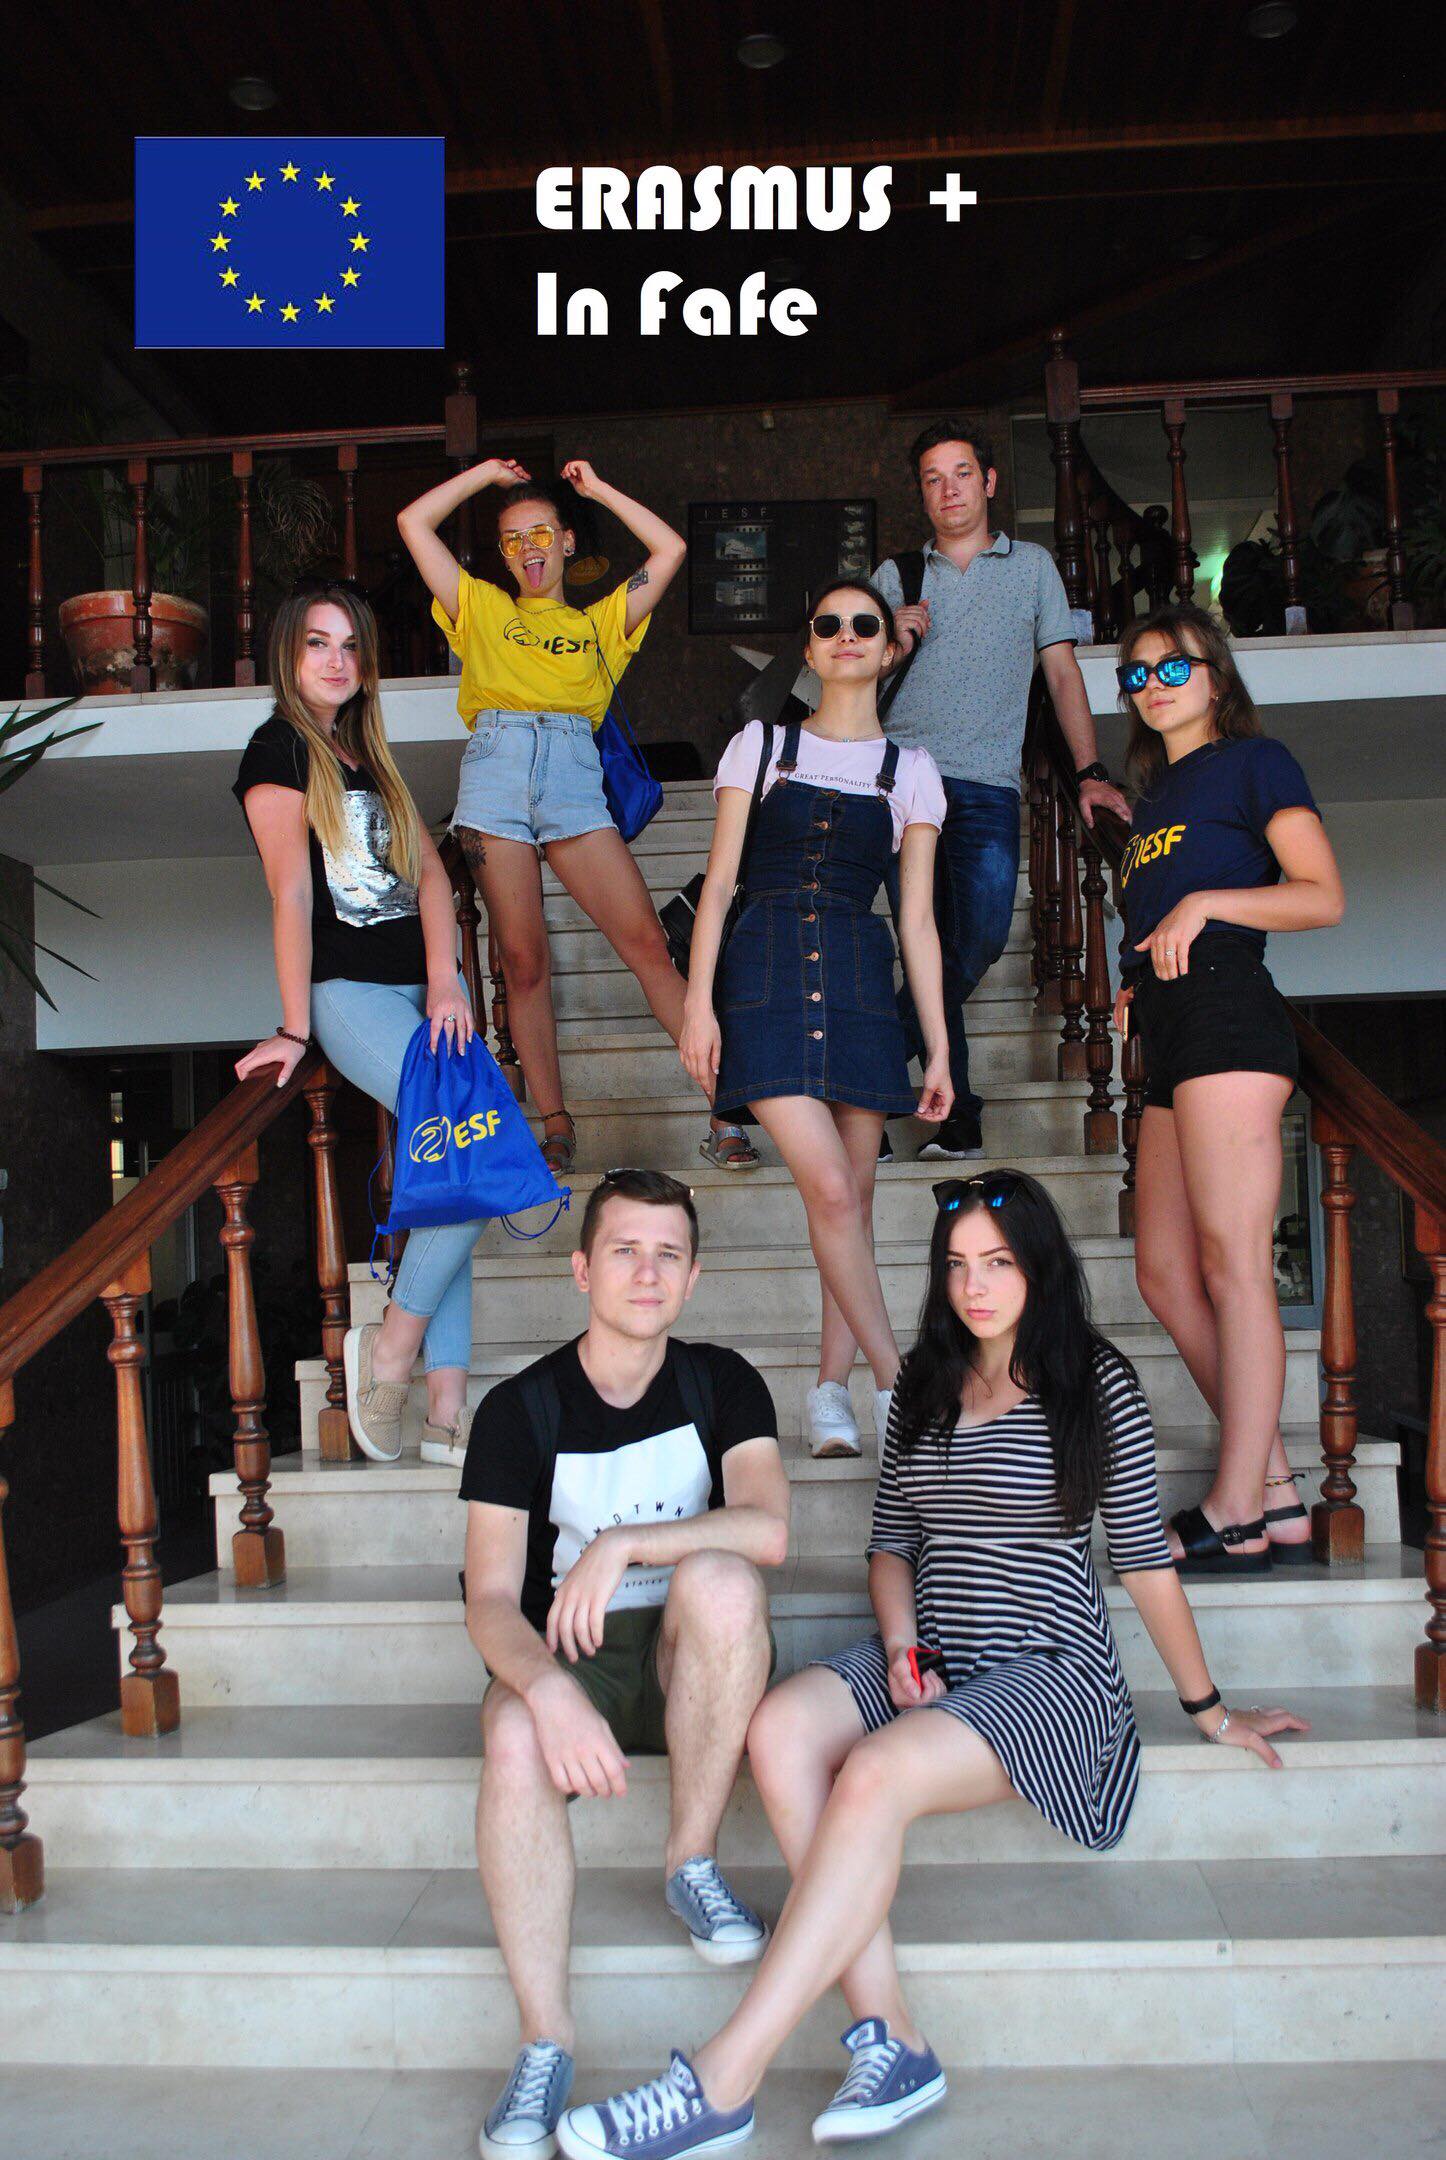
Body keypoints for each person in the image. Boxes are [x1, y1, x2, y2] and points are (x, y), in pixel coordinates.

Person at [555, 1172, 1309, 2157]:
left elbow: (1144, 1562)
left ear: (1040, 1266)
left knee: (871, 1772)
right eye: (957, 1266)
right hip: (936, 1643)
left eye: (997, 1263)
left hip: (1049, 1669)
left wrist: (1209, 1709)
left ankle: (722, 2079)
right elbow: (892, 1546)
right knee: (778, 1729)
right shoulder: (923, 1379)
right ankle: (894, 2035)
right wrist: (906, 1645)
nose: (975, 1287)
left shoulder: (1096, 1383)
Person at [461, 1168, 791, 2160]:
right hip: (575, 1657)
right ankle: (544, 2042)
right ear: (581, 1270)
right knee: (513, 1733)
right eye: (625, 1251)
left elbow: (769, 1529)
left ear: (692, 1278)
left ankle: (690, 1862)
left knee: (725, 1581)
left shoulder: (720, 1382)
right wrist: (546, 1690)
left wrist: (626, 1544)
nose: (647, 1274)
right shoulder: (519, 1409)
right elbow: (489, 1600)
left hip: (698, 1657)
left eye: (668, 1255)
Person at [397, 456, 759, 1176]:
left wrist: (596, 491)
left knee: (648, 945)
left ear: (567, 541)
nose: (527, 549)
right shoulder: (479, 606)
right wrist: (484, 475)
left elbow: (670, 549)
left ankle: (724, 1109)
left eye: (541, 533)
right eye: (512, 539)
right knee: (523, 960)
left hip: (572, 779)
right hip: (495, 773)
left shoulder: (600, 624)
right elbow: (413, 522)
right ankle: (555, 1124)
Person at [680, 582, 952, 1463]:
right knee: (831, 1190)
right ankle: (902, 1388)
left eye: (864, 625)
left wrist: (939, 1048)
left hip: (860, 982)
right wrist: (696, 1003)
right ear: (809, 647)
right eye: (827, 624)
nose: (845, 635)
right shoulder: (762, 745)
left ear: (890, 648)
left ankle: (831, 1391)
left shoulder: (912, 771)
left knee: (854, 1205)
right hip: (763, 975)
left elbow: (918, 921)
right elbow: (719, 885)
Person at [1111, 603, 1345, 1574]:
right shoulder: (1153, 803)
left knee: (1233, 1266)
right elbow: (1162, 920)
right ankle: (1276, 1487)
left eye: (1174, 666)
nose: (1154, 685)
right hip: (1171, 1030)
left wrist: (1207, 904)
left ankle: (1239, 1506)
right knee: (1164, 1272)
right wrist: (1136, 981)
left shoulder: (1257, 764)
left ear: (1216, 678)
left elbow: (1321, 895)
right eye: (1136, 673)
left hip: (1229, 1017)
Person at [233, 580, 484, 1468]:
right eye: (318, 642)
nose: (336, 660)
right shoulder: (277, 750)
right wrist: (295, 1028)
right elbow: (292, 895)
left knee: (458, 1167)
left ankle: (446, 1408)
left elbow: (432, 878)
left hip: (423, 993)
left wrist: (447, 979)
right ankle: (391, 1349)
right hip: (350, 993)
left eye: (349, 645)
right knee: (468, 1159)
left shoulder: (368, 754)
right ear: (288, 655)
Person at [873, 420, 1131, 1160]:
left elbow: (1062, 674)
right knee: (923, 942)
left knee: (980, 935)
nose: (948, 489)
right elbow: (848, 676)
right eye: (932, 478)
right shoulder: (896, 576)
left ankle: (873, 1059)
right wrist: (892, 640)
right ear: (922, 493)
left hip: (986, 783)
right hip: (901, 784)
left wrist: (1089, 772)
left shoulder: (1033, 568)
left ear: (988, 482)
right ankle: (957, 1118)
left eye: (961, 473)